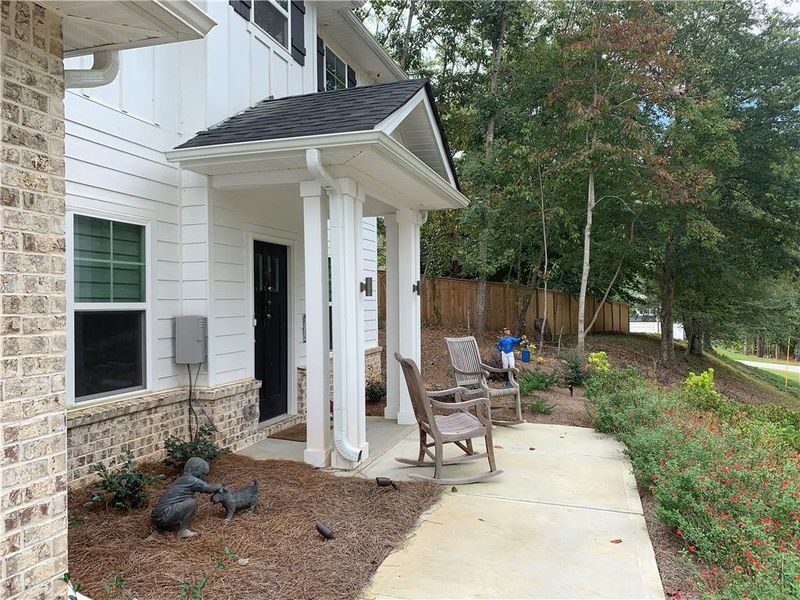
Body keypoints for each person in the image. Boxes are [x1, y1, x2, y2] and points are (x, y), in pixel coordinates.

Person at [150, 456, 223, 539]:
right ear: (196, 470)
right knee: (192, 502)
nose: (203, 477)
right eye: (203, 474)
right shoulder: (191, 480)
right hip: (165, 515)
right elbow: (209, 489)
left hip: (157, 516)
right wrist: (220, 486)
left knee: (184, 503)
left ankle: (160, 530)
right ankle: (182, 531)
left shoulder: (181, 479)